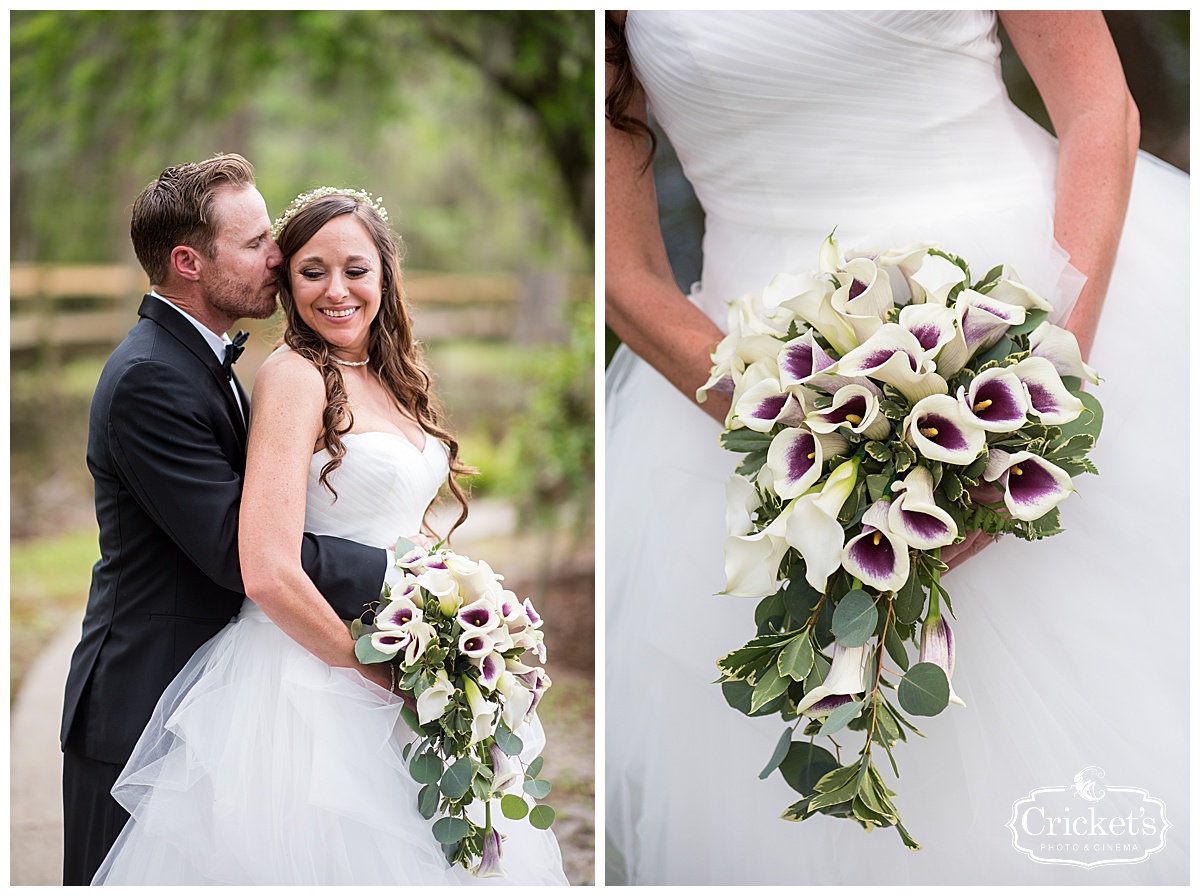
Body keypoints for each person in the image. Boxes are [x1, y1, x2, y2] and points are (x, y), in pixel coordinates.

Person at [605, 11, 1187, 885]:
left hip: (1045, 306)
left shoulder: (1052, 357)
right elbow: (625, 273)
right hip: (760, 390)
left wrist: (1047, 384)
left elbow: (1100, 107)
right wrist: (794, 418)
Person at [91, 187, 569, 884]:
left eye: (356, 269)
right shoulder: (293, 376)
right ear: (287, 282)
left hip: (406, 645)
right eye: (312, 271)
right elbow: (265, 566)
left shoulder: (389, 373)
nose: (337, 291)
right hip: (308, 674)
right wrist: (369, 667)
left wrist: (461, 616)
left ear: (385, 273)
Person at [60, 155, 394, 885]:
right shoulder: (151, 378)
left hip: (207, 695)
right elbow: (235, 549)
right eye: (253, 244)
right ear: (188, 263)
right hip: (140, 705)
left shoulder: (201, 360)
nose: (277, 255)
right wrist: (398, 571)